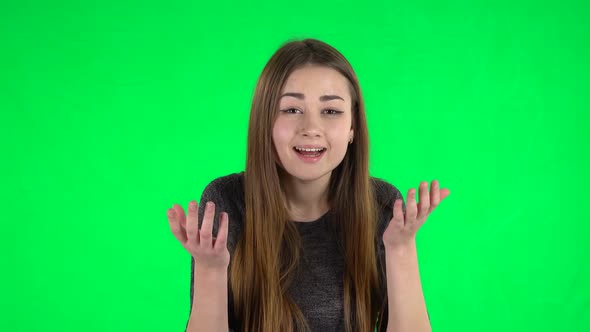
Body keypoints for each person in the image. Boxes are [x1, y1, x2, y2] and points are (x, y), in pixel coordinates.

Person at [167, 38, 449, 332]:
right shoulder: (226, 202)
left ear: (353, 127)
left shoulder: (382, 204)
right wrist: (210, 270)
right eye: (291, 109)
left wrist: (401, 250)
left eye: (331, 111)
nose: (311, 128)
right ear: (265, 122)